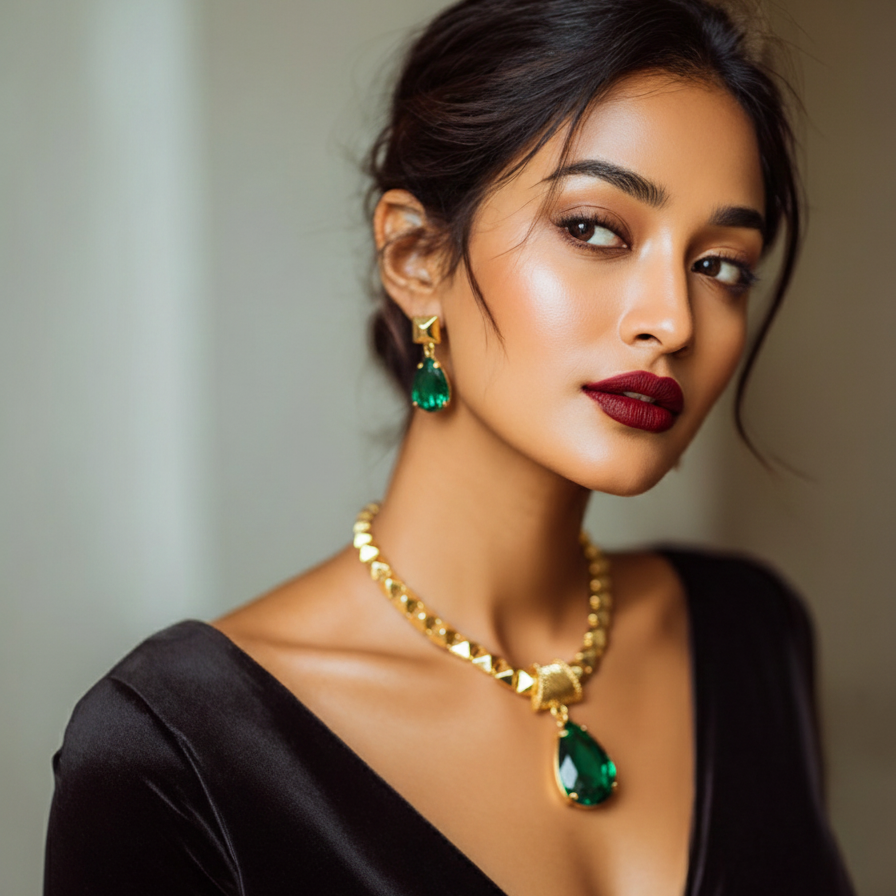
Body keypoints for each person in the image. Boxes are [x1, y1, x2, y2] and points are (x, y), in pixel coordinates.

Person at [45, 0, 856, 894]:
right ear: (417, 256)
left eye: (720, 266)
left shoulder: (750, 635)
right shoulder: (175, 752)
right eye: (594, 229)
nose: (671, 320)